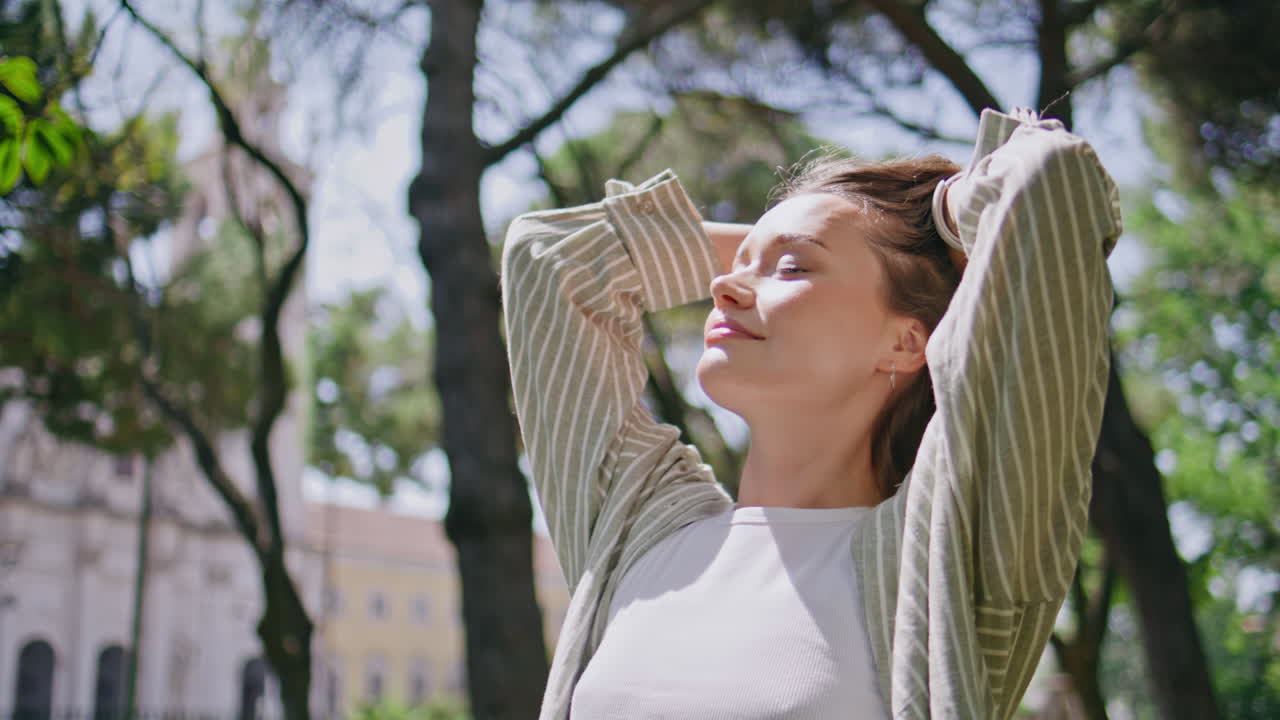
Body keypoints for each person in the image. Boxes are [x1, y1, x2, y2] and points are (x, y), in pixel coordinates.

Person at [501, 107, 1122, 719]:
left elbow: (1051, 182)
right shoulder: (638, 525)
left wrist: (932, 231)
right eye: (738, 263)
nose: (725, 286)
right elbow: (552, 256)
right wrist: (786, 241)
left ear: (907, 343)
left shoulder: (947, 551)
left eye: (792, 269)